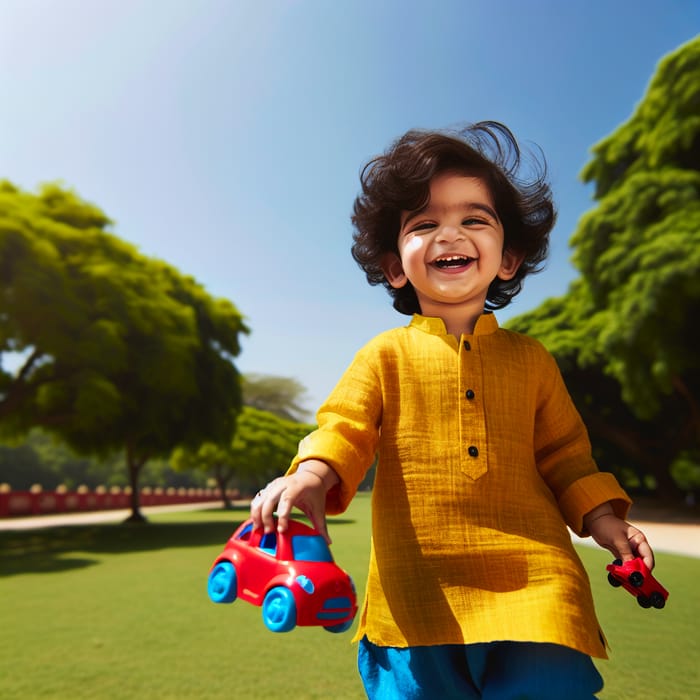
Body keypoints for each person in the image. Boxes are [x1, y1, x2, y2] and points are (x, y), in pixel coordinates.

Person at [251, 121, 655, 699]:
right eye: (424, 223)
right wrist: (312, 476)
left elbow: (566, 456)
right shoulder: (384, 354)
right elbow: (343, 427)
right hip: (416, 593)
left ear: (508, 257)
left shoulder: (533, 359)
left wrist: (604, 519)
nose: (449, 234)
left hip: (538, 583)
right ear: (396, 266)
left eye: (473, 218)